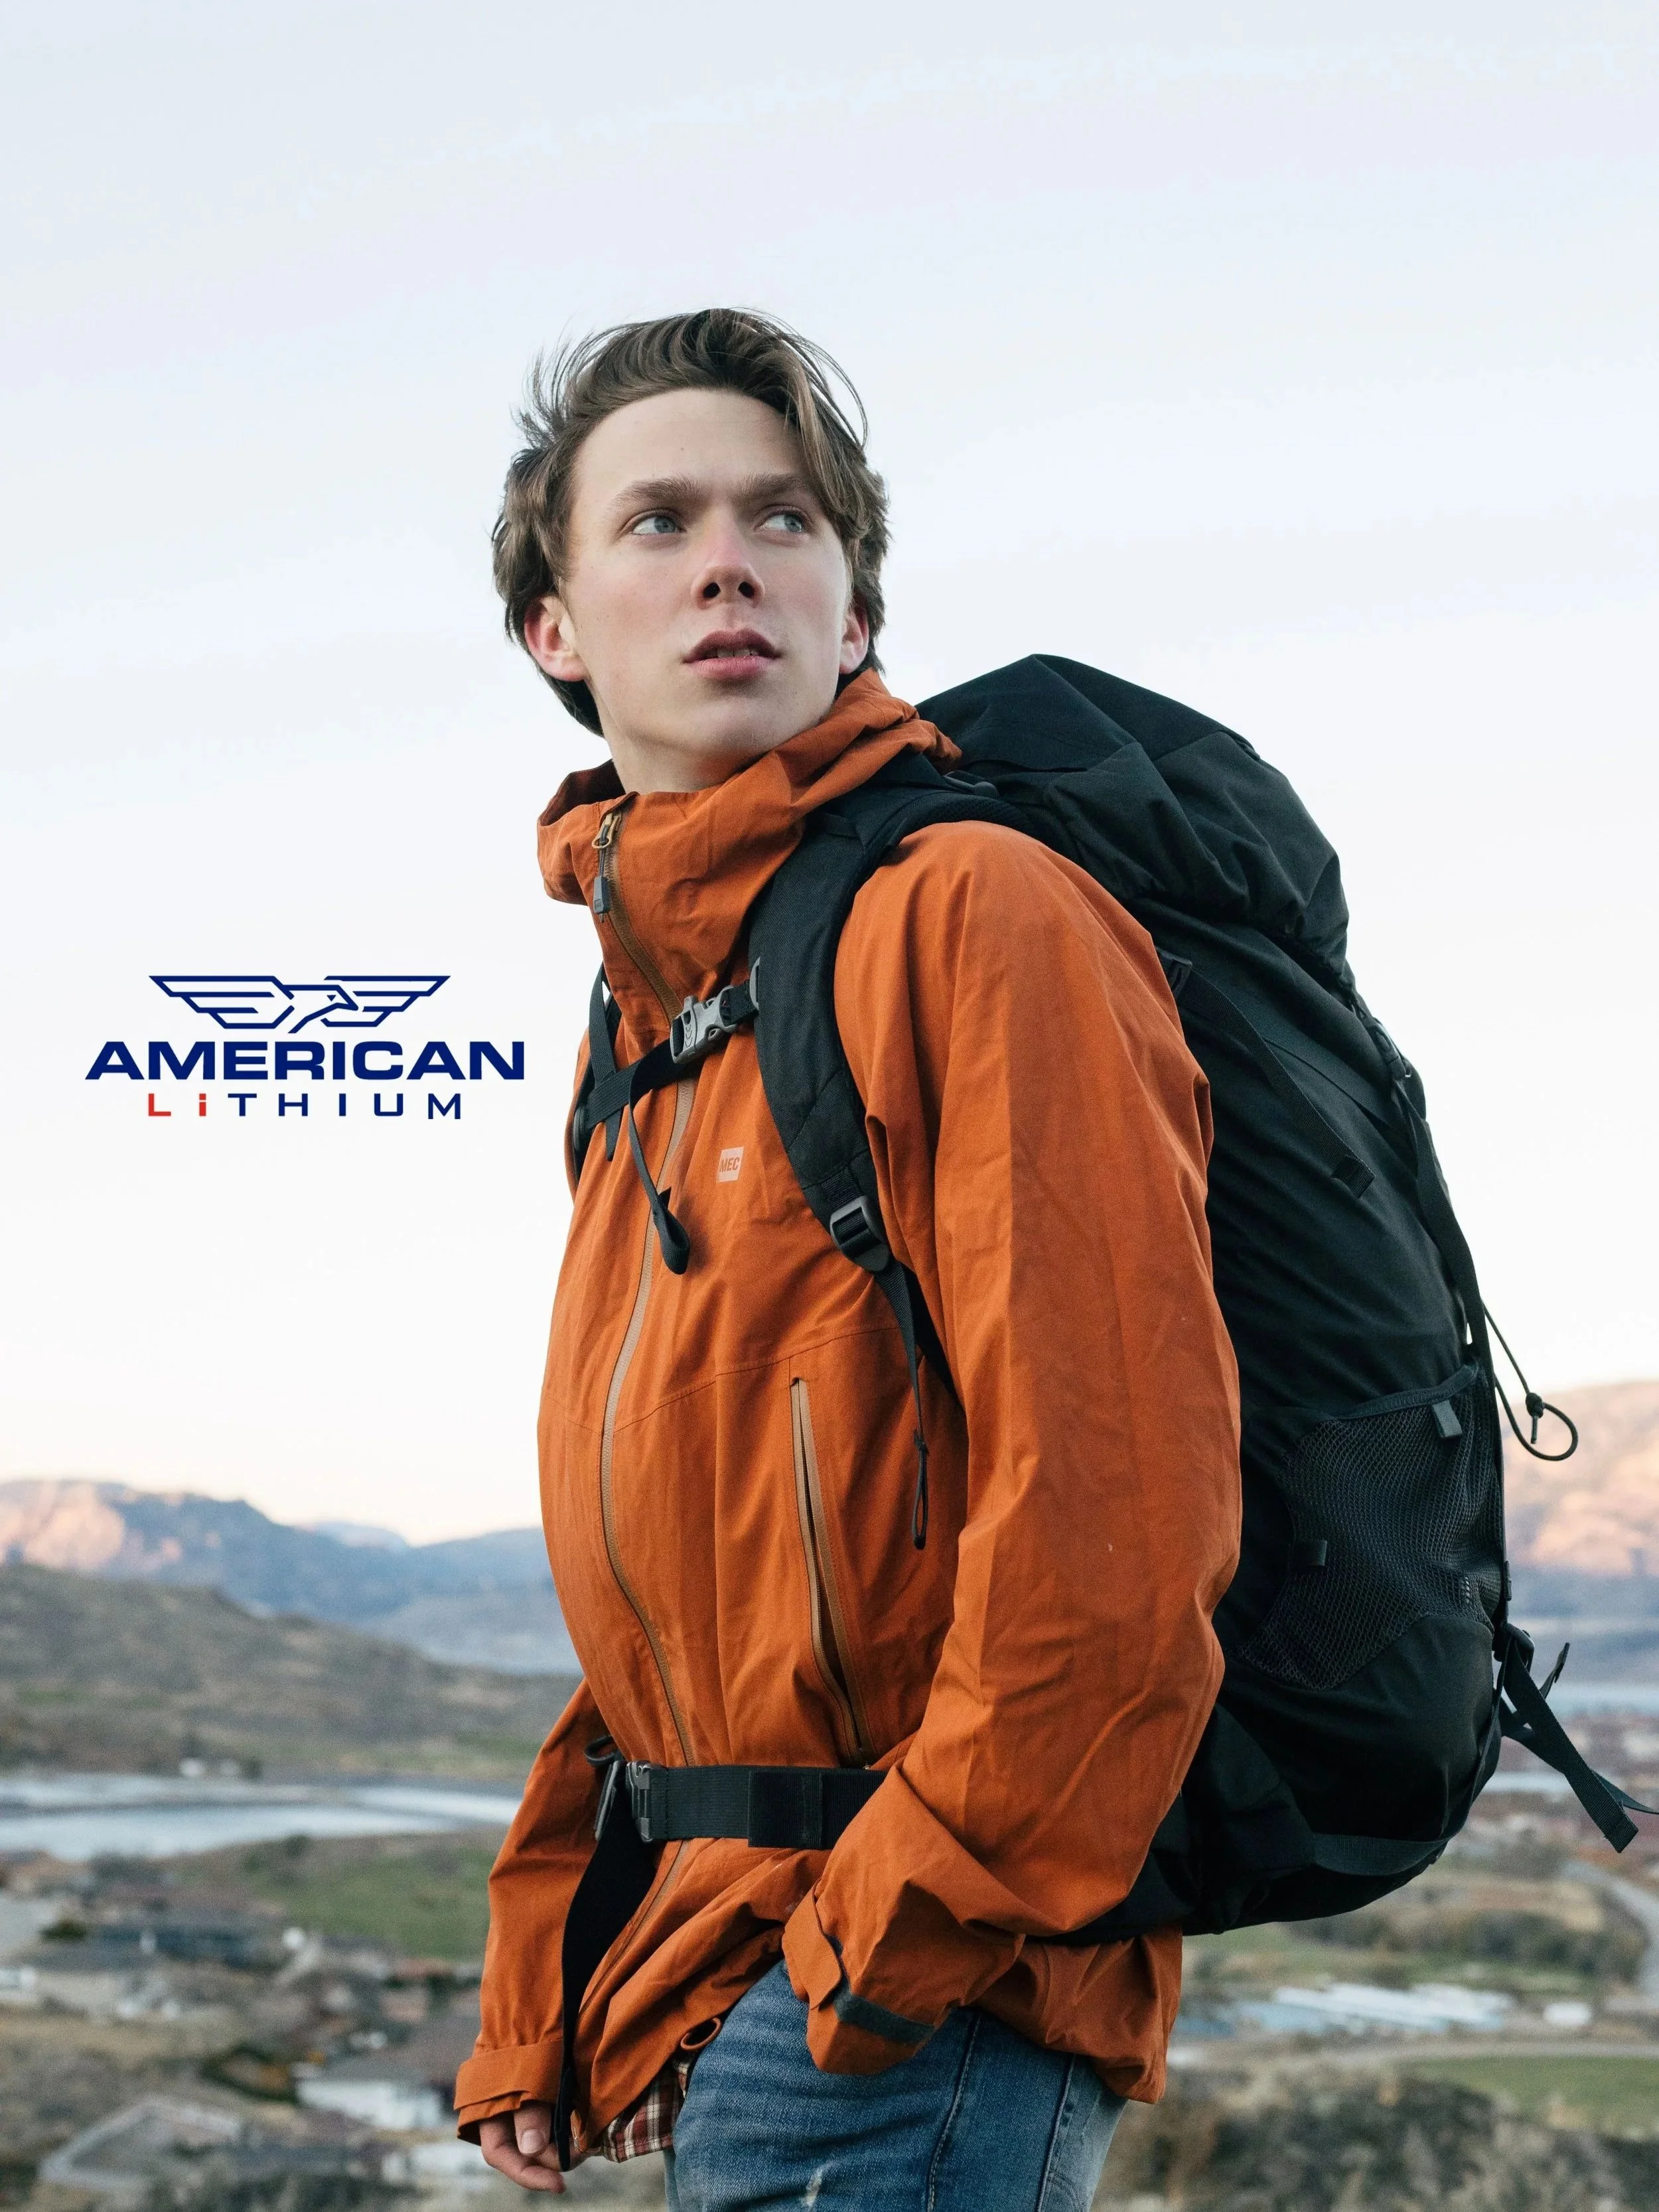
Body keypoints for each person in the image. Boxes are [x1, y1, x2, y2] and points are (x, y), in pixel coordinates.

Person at [457, 309, 1242, 2209]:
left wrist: (879, 1960)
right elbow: (680, 1578)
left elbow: (1116, 1517)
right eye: (656, 520)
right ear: (554, 628)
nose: (729, 556)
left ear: (853, 608)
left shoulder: (970, 913)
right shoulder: (659, 1017)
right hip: (751, 1975)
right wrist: (546, 1965)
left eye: (784, 518)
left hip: (909, 2012)